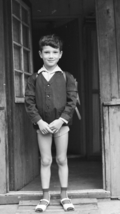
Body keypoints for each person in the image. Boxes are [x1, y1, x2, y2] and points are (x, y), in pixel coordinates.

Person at [25, 34, 77, 212]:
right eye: (47, 52)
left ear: (60, 54)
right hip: (43, 127)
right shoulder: (34, 78)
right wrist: (39, 122)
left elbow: (72, 101)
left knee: (61, 159)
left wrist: (61, 120)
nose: (51, 56)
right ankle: (45, 196)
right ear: (40, 54)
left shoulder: (66, 77)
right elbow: (29, 102)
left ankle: (64, 195)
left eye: (55, 52)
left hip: (61, 125)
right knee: (46, 160)